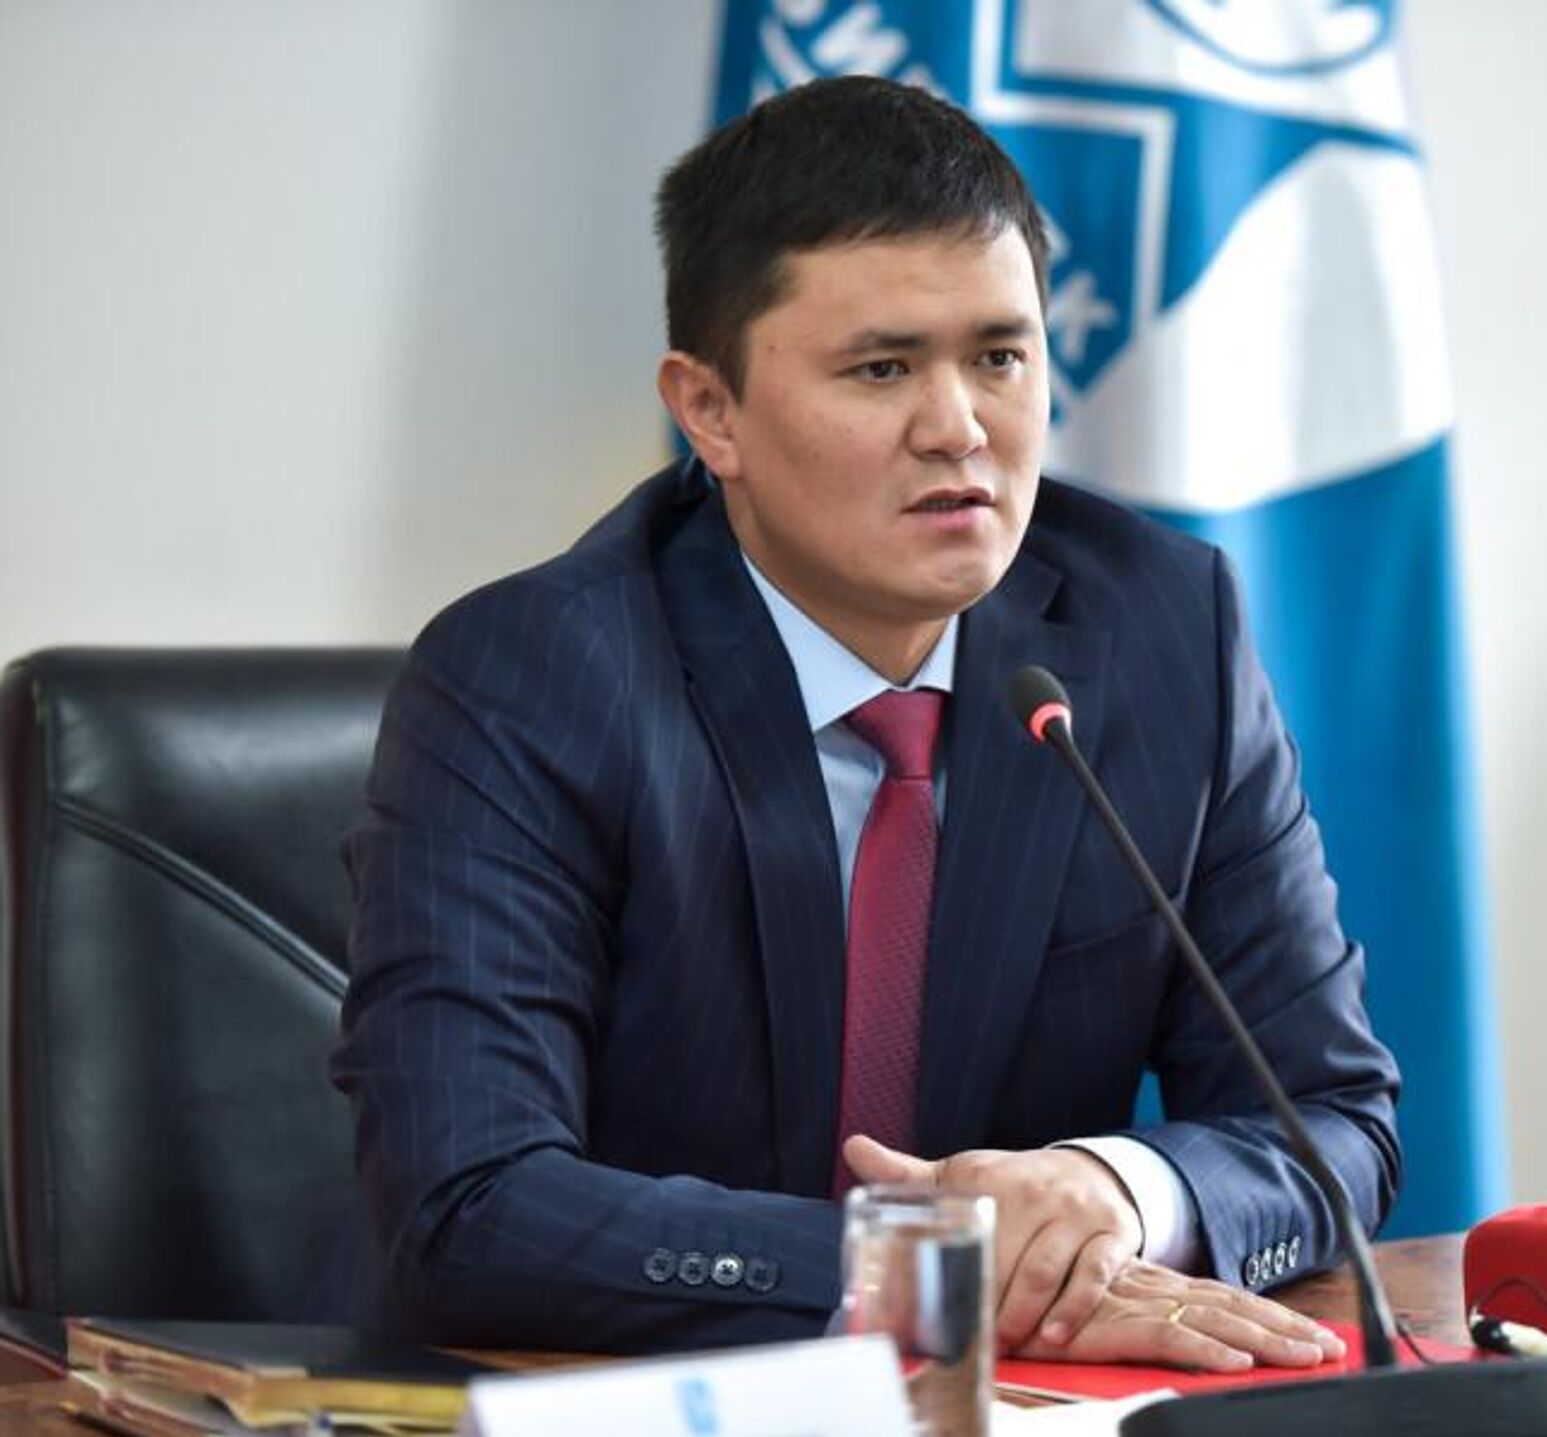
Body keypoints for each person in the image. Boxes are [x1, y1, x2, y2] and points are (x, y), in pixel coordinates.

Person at [331, 74, 1400, 1370]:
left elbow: (1333, 1115)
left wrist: (1119, 1192)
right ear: (710, 411)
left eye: (1000, 357)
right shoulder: (532, 677)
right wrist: (927, 1273)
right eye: (882, 367)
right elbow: (467, 1209)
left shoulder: (1159, 634)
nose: (959, 429)